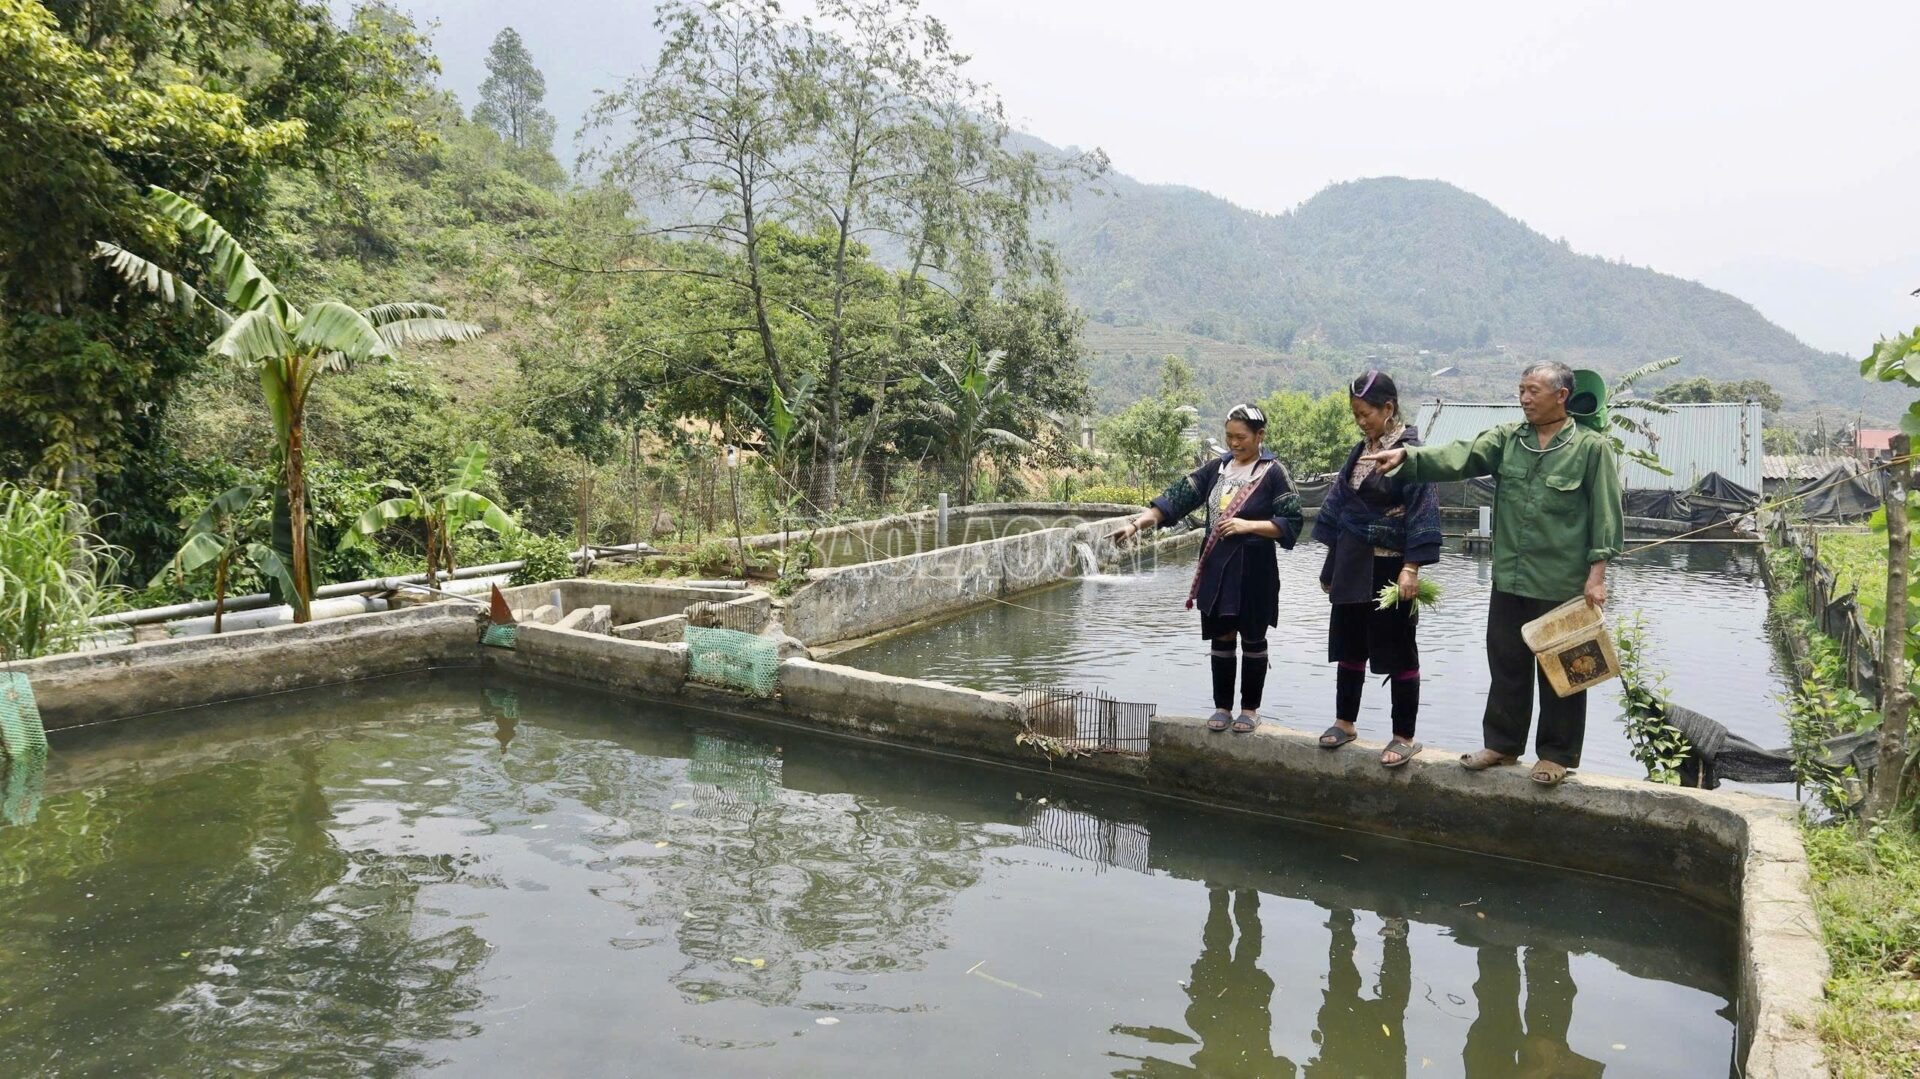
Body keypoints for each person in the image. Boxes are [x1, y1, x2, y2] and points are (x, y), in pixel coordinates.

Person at [1362, 362, 1623, 786]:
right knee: (1506, 665)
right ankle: (1502, 745)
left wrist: (1597, 575)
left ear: (1561, 395)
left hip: (1562, 582)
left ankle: (1556, 755)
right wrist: (1408, 457)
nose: (1524, 398)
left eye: (1533, 390)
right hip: (1510, 578)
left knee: (1565, 671)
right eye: (1521, 389)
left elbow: (1606, 515)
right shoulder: (1508, 440)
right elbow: (1459, 456)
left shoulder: (1591, 448)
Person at [1116, 403, 1303, 733]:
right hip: (1217, 566)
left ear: (1260, 435)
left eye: (1241, 437)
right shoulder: (1218, 469)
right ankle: (1222, 708)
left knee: (1253, 638)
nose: (1234, 443)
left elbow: (1292, 522)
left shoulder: (1273, 473)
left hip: (1255, 568)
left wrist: (1248, 526)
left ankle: (1250, 710)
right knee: (1222, 636)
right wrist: (1137, 524)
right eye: (1229, 436)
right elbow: (1177, 498)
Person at [1312, 371, 1442, 767]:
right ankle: (1345, 722)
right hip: (1352, 564)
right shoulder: (1359, 452)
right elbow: (1341, 509)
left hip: (1390, 567)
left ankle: (1404, 736)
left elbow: (1422, 512)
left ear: (1388, 408)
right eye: (1355, 414)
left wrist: (1411, 568)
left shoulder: (1411, 455)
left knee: (1398, 650)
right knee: (1350, 646)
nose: (1360, 421)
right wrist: (1331, 567)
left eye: (1365, 413)